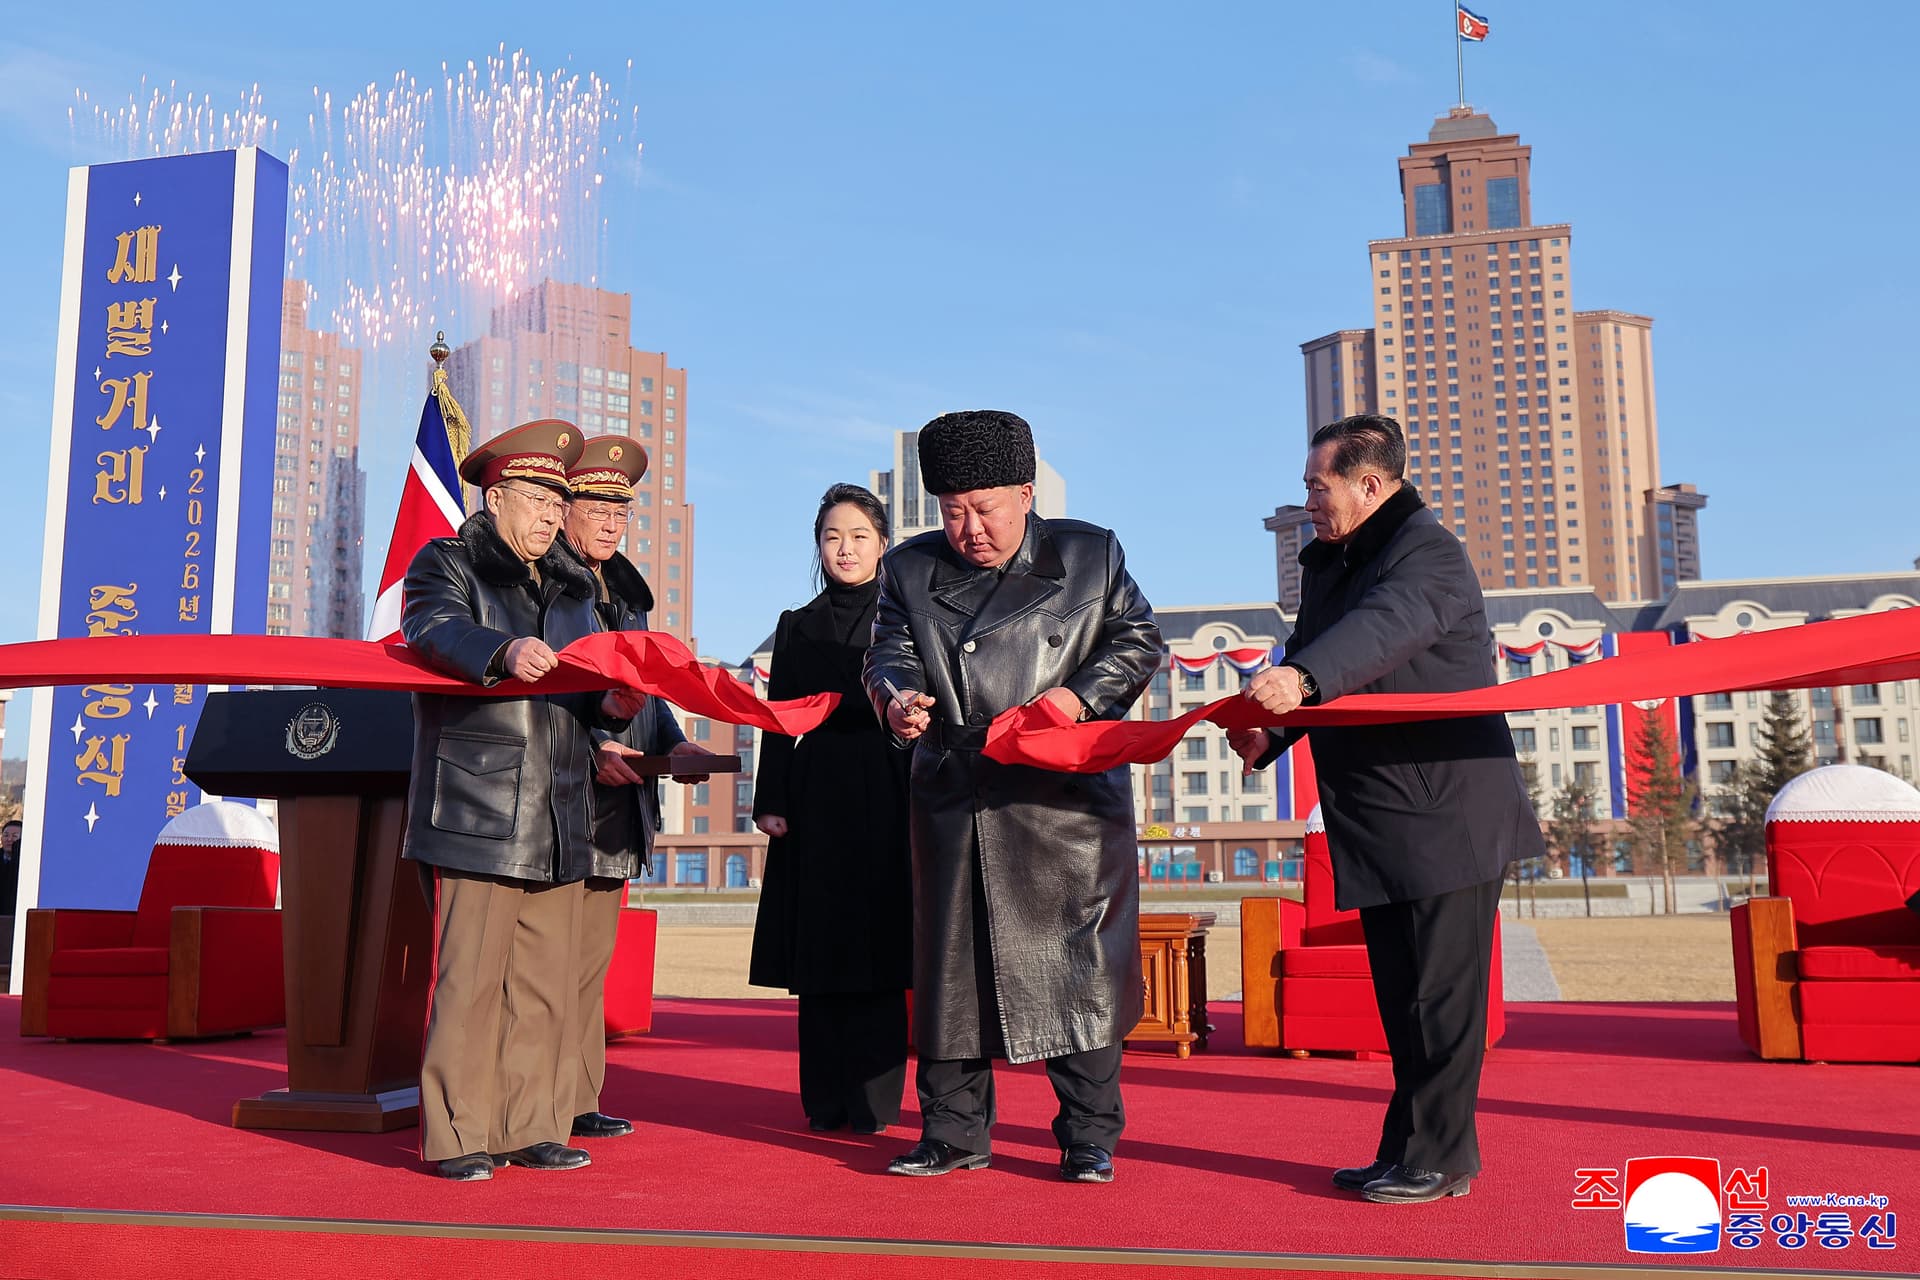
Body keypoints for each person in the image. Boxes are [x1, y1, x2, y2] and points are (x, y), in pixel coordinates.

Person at [1227, 413, 1543, 1205]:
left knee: (1443, 1000)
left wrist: (1298, 683)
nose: (1306, 500)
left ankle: (1443, 1159)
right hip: (1380, 816)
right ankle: (1406, 1150)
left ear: (1371, 484)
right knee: (1403, 1003)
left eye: (1316, 484)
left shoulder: (1427, 554)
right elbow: (1327, 666)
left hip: (1447, 813)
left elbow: (1381, 634)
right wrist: (1273, 738)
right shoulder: (1335, 565)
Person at [864, 410, 1162, 1184]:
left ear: (1026, 494)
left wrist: (1077, 702)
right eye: (952, 510)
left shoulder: (1089, 554)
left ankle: (1089, 1134)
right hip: (956, 794)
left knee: (1078, 969)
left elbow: (1138, 639)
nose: (969, 528)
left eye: (985, 507)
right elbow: (888, 652)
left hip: (1063, 801)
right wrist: (897, 697)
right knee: (949, 972)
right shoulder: (908, 570)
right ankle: (952, 1131)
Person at [402, 418, 644, 1183]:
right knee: (471, 981)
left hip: (562, 807)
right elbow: (430, 630)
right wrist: (501, 652)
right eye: (539, 499)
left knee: (542, 982)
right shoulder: (447, 563)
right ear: (497, 496)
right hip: (482, 806)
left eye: (556, 502)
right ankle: (456, 1132)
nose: (550, 515)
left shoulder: (573, 593)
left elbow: (580, 692)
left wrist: (613, 706)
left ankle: (530, 1124)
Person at [555, 434, 709, 1143]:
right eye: (598, 506)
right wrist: (593, 747)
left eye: (622, 509)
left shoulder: (626, 599)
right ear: (562, 510)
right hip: (561, 802)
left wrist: (675, 744)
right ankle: (539, 1104)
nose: (614, 522)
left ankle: (578, 1098)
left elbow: (643, 696)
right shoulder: (548, 591)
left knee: (586, 971)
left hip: (619, 807)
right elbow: (544, 700)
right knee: (545, 969)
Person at [749, 483, 913, 1135]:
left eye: (858, 536)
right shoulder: (798, 624)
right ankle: (824, 1099)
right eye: (832, 537)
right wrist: (772, 800)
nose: (844, 549)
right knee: (819, 954)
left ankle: (873, 1103)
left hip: (889, 789)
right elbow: (776, 720)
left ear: (882, 544)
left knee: (879, 952)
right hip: (816, 799)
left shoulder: (906, 618)